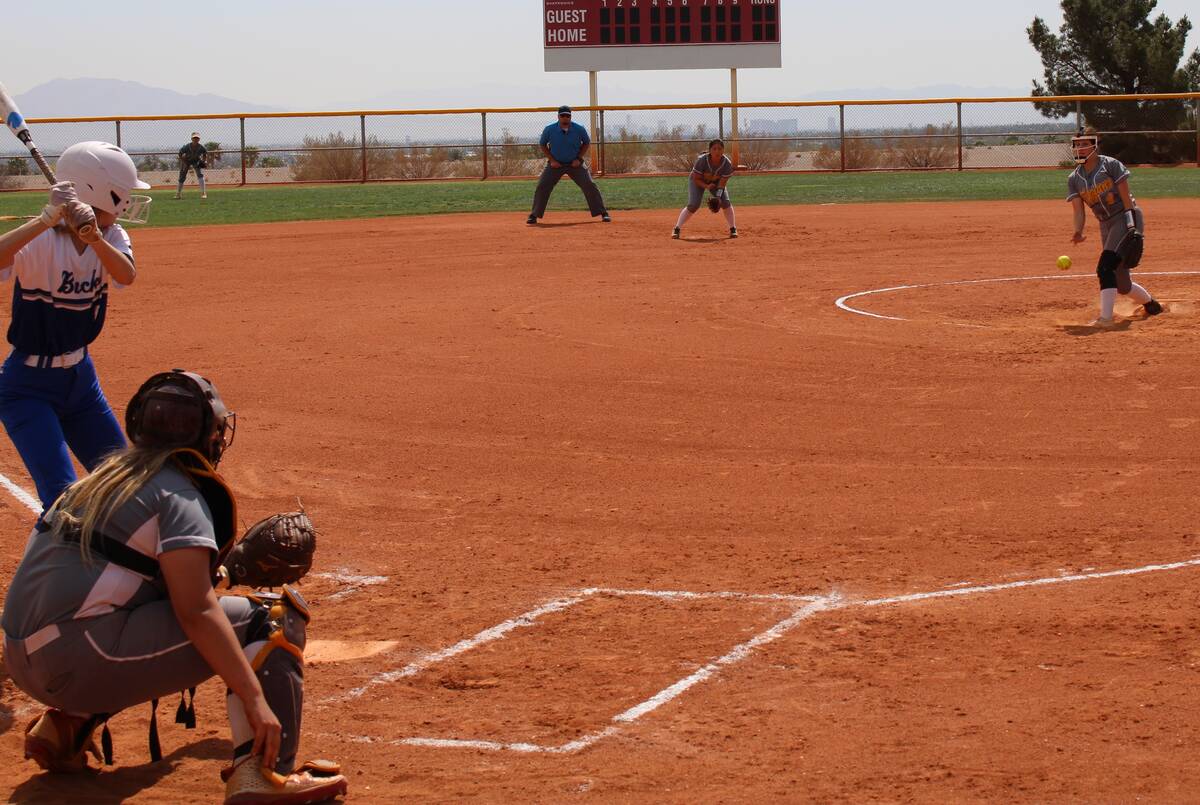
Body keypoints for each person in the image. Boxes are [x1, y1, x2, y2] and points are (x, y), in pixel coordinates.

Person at [2, 369, 348, 804]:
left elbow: (143, 587)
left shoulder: (100, 479)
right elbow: (196, 613)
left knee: (121, 608)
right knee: (271, 619)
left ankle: (65, 728)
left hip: (21, 657)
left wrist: (230, 573)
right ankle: (263, 774)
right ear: (210, 435)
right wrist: (255, 699)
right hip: (77, 660)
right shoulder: (178, 497)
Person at [0, 141, 152, 512]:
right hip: (27, 389)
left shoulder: (112, 238)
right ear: (103, 193)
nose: (129, 203)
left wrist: (95, 239)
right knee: (63, 499)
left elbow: (125, 275)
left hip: (81, 382)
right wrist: (45, 220)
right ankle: (52, 567)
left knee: (126, 486)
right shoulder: (41, 241)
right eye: (124, 195)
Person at [1067, 128, 1163, 327]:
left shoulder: (1110, 165)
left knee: (1105, 267)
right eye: (1077, 145)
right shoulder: (1074, 178)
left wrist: (1132, 226)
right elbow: (1079, 211)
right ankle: (1152, 305)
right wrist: (1078, 231)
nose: (1080, 148)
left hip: (1125, 217)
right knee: (1122, 284)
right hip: (1106, 225)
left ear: (1095, 144)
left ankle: (1106, 319)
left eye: (1085, 144)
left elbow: (1127, 199)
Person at [527, 105, 610, 225]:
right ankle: (534, 215)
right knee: (543, 185)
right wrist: (552, 160)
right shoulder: (549, 129)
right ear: (558, 116)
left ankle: (603, 213)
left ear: (571, 116)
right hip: (556, 164)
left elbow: (586, 143)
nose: (565, 118)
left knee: (589, 185)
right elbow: (543, 145)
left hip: (574, 163)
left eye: (568, 115)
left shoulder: (579, 129)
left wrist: (578, 158)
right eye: (563, 116)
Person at [673, 138, 738, 240]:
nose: (717, 151)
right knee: (694, 205)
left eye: (720, 149)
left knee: (725, 202)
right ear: (710, 150)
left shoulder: (726, 164)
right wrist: (706, 186)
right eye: (714, 149)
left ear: (723, 150)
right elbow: (696, 178)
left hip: (716, 183)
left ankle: (733, 229)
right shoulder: (702, 160)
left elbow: (722, 183)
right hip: (698, 181)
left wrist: (718, 196)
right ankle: (677, 229)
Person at [176, 132, 208, 200]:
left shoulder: (201, 147)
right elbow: (180, 153)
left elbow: (205, 153)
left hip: (196, 161)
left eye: (197, 138)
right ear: (191, 139)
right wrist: (184, 161)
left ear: (199, 139)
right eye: (194, 138)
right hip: (186, 161)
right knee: (182, 176)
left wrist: (203, 161)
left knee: (200, 175)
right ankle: (178, 194)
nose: (195, 139)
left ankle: (203, 193)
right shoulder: (187, 146)